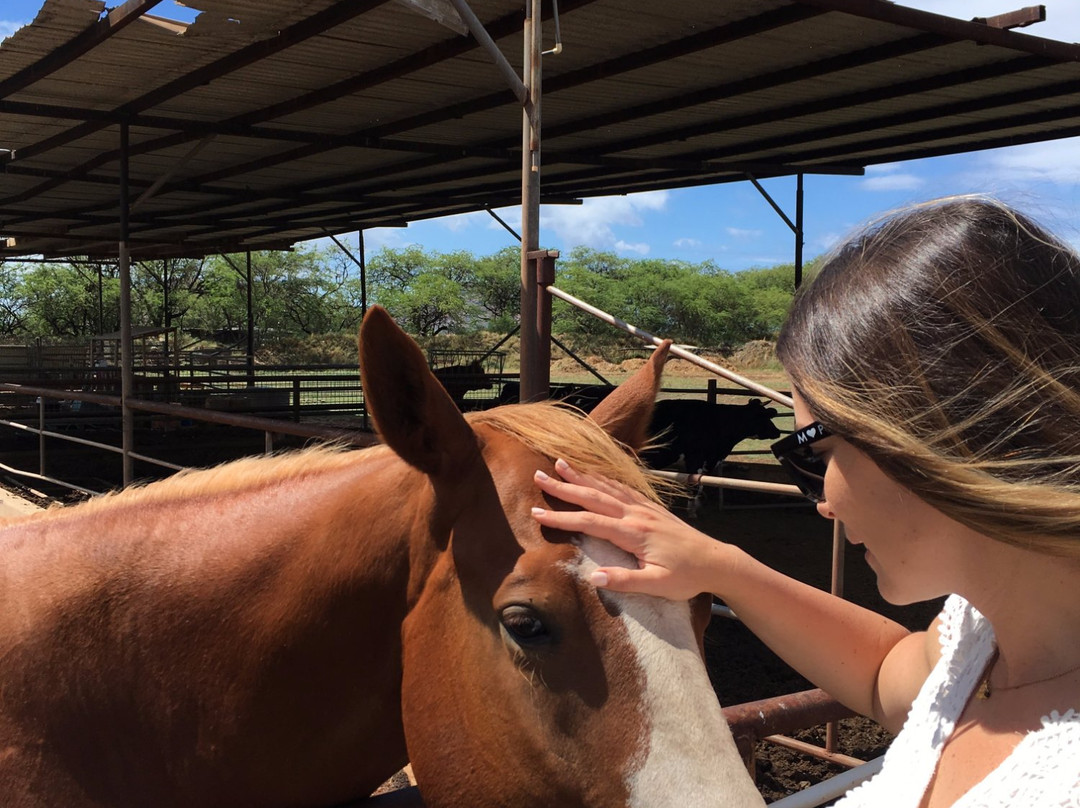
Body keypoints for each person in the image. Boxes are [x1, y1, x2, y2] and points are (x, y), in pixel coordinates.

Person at [531, 197, 1080, 807]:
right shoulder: (984, 637)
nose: (822, 505)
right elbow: (883, 673)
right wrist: (721, 565)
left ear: (925, 435)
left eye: (812, 456)